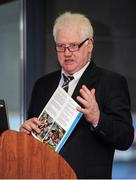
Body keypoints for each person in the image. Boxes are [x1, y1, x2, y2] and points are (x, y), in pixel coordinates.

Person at [20, 12, 134, 179]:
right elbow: (34, 142)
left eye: (73, 46)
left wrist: (97, 118)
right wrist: (25, 136)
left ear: (90, 45)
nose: (67, 53)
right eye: (61, 46)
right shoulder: (42, 85)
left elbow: (125, 138)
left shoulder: (111, 82)